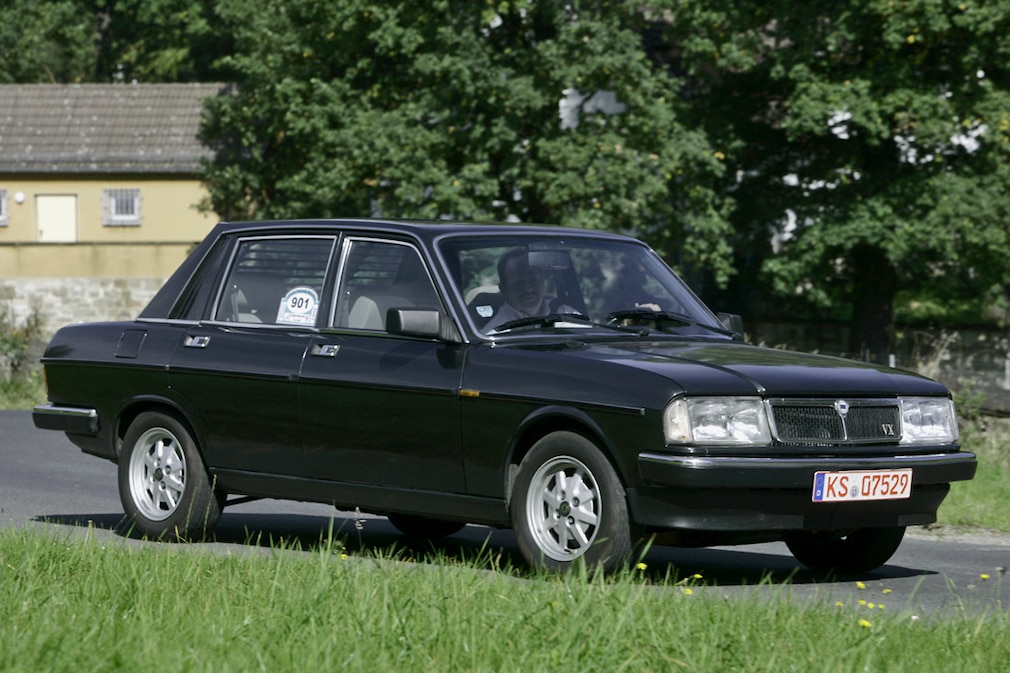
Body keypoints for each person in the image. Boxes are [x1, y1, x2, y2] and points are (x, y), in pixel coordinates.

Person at [484, 248, 576, 332]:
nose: (529, 289)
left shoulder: (565, 313)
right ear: (503, 290)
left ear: (543, 282)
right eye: (520, 283)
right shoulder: (494, 333)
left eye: (534, 281)